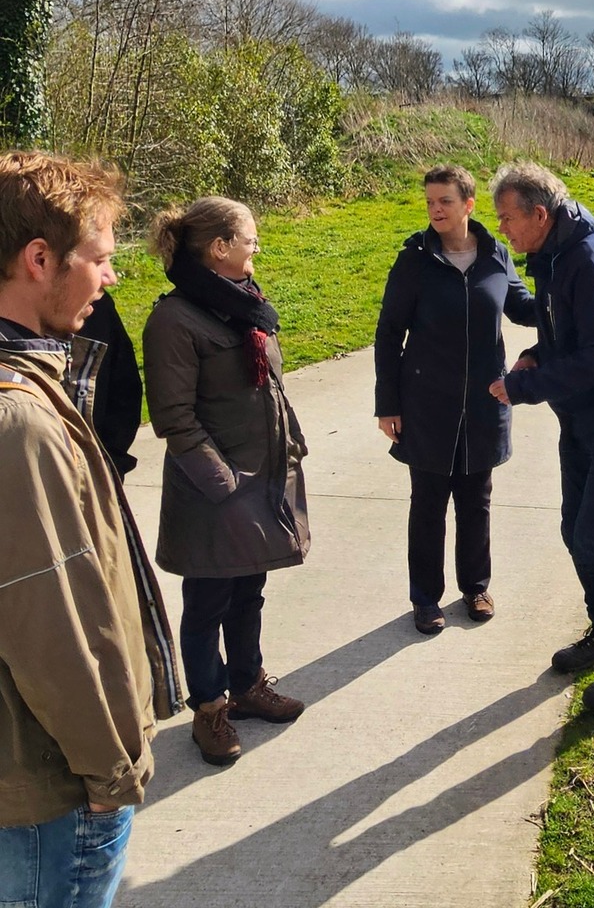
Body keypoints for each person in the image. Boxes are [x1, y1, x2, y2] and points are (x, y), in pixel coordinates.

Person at [0, 151, 181, 908]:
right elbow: (50, 621)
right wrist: (111, 775)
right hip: (52, 788)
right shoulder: (19, 421)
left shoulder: (34, 382)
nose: (111, 278)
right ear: (39, 260)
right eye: (101, 260)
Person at [488, 161, 594, 713]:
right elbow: (568, 333)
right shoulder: (554, 253)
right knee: (574, 528)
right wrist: (540, 353)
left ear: (539, 214)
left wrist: (525, 386)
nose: (503, 230)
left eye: (507, 219)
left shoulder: (586, 258)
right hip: (584, 417)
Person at [143, 197, 309, 767]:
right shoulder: (175, 319)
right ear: (219, 248)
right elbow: (174, 419)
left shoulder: (243, 307)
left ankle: (248, 686)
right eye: (249, 239)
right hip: (215, 492)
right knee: (208, 600)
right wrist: (223, 484)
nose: (256, 247)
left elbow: (269, 391)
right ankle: (210, 709)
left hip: (259, 482)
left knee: (248, 594)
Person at [375, 164, 536, 635]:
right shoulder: (414, 260)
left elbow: (523, 307)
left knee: (476, 500)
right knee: (428, 503)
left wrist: (562, 300)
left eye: (444, 201)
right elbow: (388, 334)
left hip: (485, 400)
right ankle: (425, 599)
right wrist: (389, 403)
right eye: (429, 202)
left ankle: (475, 587)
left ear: (468, 205)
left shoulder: (495, 255)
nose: (435, 210)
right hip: (426, 403)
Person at [78, 288, 143, 480]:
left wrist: (110, 465)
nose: (110, 277)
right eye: (97, 261)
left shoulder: (97, 306)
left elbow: (124, 393)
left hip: (95, 479)